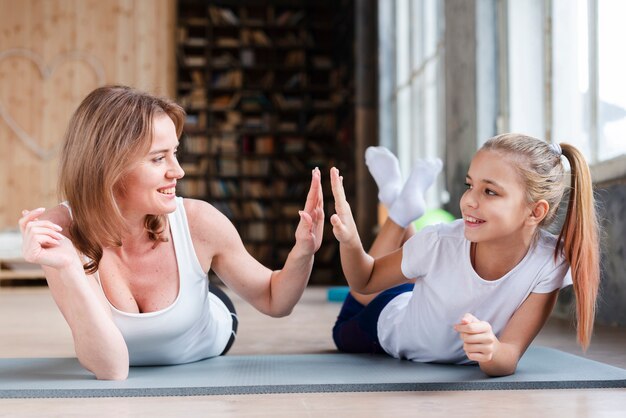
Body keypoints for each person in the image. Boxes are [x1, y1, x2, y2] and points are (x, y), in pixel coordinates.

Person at [18, 85, 324, 380]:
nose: (178, 171)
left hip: (203, 320)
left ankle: (202, 295)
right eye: (158, 158)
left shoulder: (199, 221)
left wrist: (303, 251)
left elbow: (275, 300)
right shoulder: (60, 234)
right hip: (123, 347)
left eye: (174, 153)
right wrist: (70, 265)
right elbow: (112, 369)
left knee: (204, 292)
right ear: (109, 167)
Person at [330, 135, 600, 377]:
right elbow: (364, 281)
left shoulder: (549, 263)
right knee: (344, 327)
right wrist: (351, 241)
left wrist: (491, 350)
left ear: (535, 212)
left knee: (422, 264)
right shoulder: (439, 240)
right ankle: (398, 209)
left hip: (429, 292)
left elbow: (509, 355)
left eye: (490, 191)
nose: (469, 200)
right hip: (390, 319)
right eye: (469, 184)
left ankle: (399, 201)